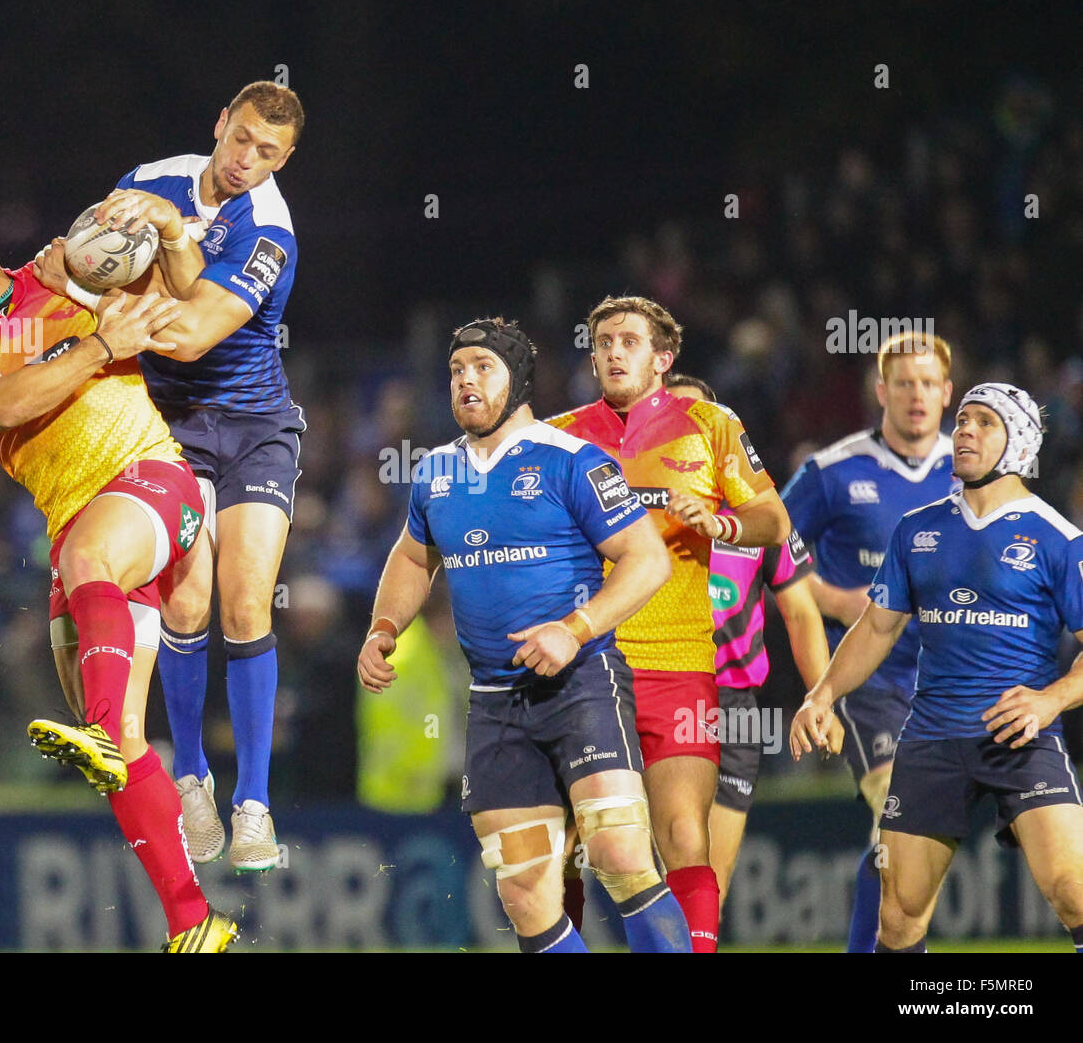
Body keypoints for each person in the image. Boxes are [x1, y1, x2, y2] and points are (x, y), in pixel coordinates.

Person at [0, 193, 236, 953]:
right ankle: (194, 921)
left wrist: (174, 230)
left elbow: (189, 306)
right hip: (77, 525)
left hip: (153, 480)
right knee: (116, 742)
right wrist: (93, 344)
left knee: (93, 584)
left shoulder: (70, 272)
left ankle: (109, 737)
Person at [35, 82, 305, 871]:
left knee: (246, 598)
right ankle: (190, 777)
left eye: (268, 153)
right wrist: (90, 279)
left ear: (285, 161)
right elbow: (73, 260)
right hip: (168, 428)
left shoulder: (270, 235)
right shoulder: (152, 177)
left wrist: (118, 289)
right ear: (220, 121)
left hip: (254, 427)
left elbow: (186, 335)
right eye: (242, 138)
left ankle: (253, 802)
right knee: (187, 601)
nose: (247, 160)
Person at [357, 318, 691, 953]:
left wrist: (575, 628)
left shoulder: (573, 461)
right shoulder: (434, 474)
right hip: (494, 701)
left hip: (582, 683)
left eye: (483, 367)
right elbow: (409, 559)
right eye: (457, 371)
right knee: (525, 890)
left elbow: (649, 558)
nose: (466, 381)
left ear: (518, 379)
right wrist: (383, 627)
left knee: (619, 849)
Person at [790, 383, 1083, 953]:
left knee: (1074, 893)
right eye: (964, 419)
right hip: (931, 740)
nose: (965, 431)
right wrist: (821, 695)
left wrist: (1051, 699)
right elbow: (875, 628)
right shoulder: (917, 530)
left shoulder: (1060, 540)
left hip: (1019, 738)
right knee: (898, 921)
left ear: (1019, 443)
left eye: (983, 423)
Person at [549, 297, 790, 952]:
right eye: (602, 341)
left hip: (680, 663)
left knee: (684, 833)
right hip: (588, 665)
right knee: (576, 843)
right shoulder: (558, 434)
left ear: (663, 357)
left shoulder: (711, 424)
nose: (613, 351)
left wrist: (723, 523)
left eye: (629, 340)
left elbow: (775, 519)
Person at [780, 332, 956, 951]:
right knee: (896, 814)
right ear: (880, 391)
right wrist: (831, 600)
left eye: (929, 383)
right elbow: (763, 551)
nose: (917, 395)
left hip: (950, 686)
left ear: (947, 393)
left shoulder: (972, 472)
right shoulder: (832, 472)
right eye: (904, 383)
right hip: (866, 680)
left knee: (907, 843)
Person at [663, 374, 837, 906]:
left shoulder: (761, 519)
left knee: (707, 889)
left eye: (699, 422)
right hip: (657, 692)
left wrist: (823, 697)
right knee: (646, 870)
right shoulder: (633, 511)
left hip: (733, 708)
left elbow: (801, 614)